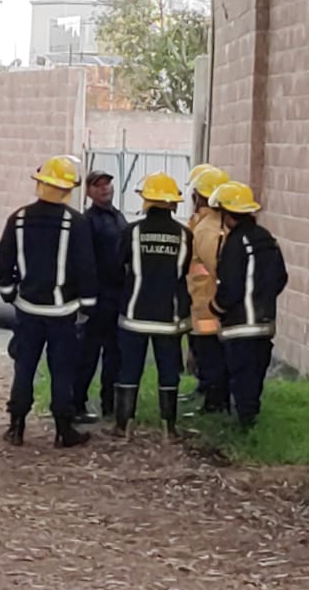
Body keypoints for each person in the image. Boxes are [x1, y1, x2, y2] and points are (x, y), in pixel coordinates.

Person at [0, 154, 98, 448]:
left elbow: (3, 264)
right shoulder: (75, 223)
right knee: (62, 370)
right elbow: (86, 267)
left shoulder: (19, 218)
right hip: (63, 313)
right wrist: (87, 306)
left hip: (27, 311)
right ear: (67, 189)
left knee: (24, 368)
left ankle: (16, 427)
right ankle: (64, 431)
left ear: (40, 183)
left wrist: (9, 294)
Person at [112, 172, 194, 438]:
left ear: (147, 201)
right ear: (172, 203)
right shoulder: (184, 235)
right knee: (168, 371)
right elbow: (182, 271)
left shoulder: (131, 232)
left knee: (129, 369)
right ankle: (169, 428)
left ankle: (124, 425)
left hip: (135, 314)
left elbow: (120, 266)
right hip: (168, 317)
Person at [208, 181, 289, 428]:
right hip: (265, 324)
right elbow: (281, 277)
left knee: (241, 378)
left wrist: (216, 308)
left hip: (240, 325)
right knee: (255, 375)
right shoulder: (267, 238)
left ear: (228, 215)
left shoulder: (235, 243)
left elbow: (230, 286)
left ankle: (244, 428)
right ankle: (250, 420)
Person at [74, 170, 126, 424]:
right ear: (89, 192)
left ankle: (110, 404)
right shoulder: (88, 221)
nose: (105, 188)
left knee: (115, 354)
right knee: (87, 354)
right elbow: (85, 261)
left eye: (107, 184)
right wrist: (87, 296)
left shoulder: (118, 217)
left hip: (118, 297)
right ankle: (77, 403)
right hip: (97, 298)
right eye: (98, 185)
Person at [186, 166, 231, 413]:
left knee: (210, 353)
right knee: (206, 351)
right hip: (204, 299)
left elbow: (214, 265)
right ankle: (210, 394)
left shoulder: (207, 228)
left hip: (206, 302)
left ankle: (215, 402)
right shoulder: (209, 223)